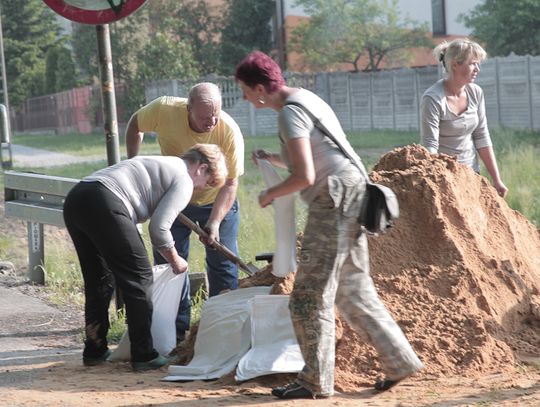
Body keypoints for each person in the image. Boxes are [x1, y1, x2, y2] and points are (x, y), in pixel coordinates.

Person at [234, 51, 423, 399]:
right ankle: (400, 361)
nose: (245, 98)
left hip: (333, 201)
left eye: (245, 91)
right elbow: (320, 154)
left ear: (260, 88)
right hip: (351, 193)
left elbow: (305, 174)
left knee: (308, 297)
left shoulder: (290, 114)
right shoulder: (305, 100)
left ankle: (314, 381)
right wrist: (271, 158)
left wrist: (270, 193)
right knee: (353, 290)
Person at [63, 144, 227, 371]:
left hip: (79, 197)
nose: (201, 190)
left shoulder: (163, 163)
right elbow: (159, 229)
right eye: (208, 183)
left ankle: (95, 348)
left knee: (99, 279)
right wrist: (175, 259)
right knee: (140, 278)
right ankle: (143, 355)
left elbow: (133, 217)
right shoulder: (184, 179)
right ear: (201, 168)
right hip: (106, 201)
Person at [125, 82, 245, 343]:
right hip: (174, 201)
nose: (212, 122)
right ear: (187, 109)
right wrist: (132, 161)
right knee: (170, 266)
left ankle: (221, 331)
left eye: (216, 114)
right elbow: (135, 124)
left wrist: (214, 222)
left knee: (223, 267)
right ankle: (175, 334)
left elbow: (231, 184)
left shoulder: (229, 131)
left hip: (217, 201)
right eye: (204, 117)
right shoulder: (164, 109)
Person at [421, 38, 508, 198]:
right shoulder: (433, 99)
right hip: (446, 178)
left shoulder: (475, 92)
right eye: (473, 63)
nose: (478, 69)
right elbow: (430, 145)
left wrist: (497, 179)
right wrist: (436, 179)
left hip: (471, 174)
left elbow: (481, 136)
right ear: (455, 64)